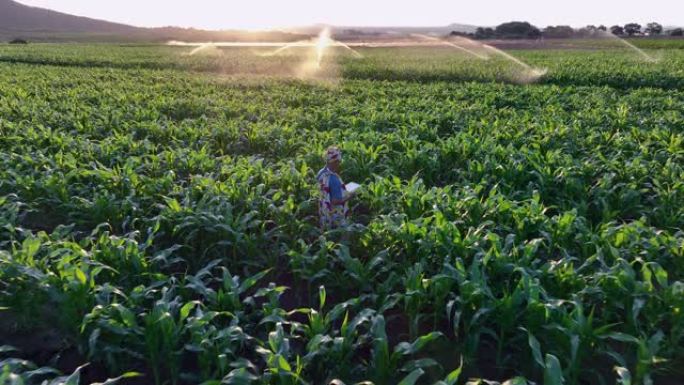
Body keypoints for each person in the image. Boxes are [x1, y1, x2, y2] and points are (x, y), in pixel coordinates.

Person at [316, 146, 354, 229]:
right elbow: (335, 201)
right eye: (338, 161)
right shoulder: (334, 179)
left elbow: (326, 190)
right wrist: (349, 197)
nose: (339, 164)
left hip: (324, 213)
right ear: (334, 161)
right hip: (335, 217)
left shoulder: (321, 173)